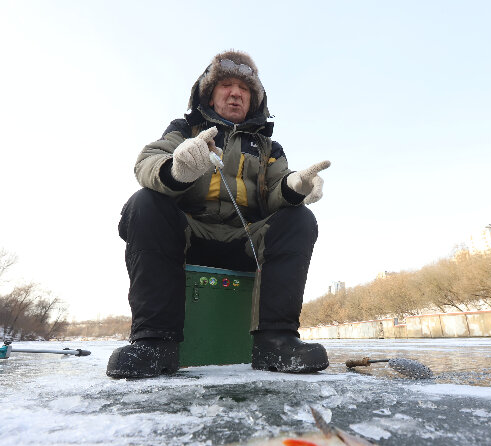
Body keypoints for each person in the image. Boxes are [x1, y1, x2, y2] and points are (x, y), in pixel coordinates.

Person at [106, 50, 330, 378]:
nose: (236, 93)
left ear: (255, 99)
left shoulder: (269, 147)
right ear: (210, 93)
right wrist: (177, 169)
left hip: (245, 242)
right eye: (226, 85)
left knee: (300, 219)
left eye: (245, 88)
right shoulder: (183, 130)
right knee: (144, 205)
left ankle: (277, 340)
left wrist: (296, 186)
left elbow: (276, 193)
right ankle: (155, 342)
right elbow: (147, 162)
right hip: (187, 236)